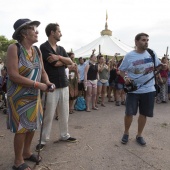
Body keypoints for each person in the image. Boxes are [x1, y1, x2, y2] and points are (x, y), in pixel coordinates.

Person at [6, 18, 54, 170]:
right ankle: (18, 161)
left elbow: (42, 71)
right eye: (34, 29)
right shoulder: (14, 48)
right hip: (19, 97)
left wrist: (47, 82)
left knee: (32, 125)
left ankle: (26, 152)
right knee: (22, 128)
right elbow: (13, 75)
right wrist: (38, 84)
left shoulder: (37, 50)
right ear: (24, 33)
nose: (37, 31)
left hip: (35, 95)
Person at [36, 23, 77, 151]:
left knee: (64, 113)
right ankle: (43, 140)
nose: (61, 33)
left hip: (64, 84)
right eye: (59, 31)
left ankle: (64, 135)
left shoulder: (61, 49)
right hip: (51, 85)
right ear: (52, 32)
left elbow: (70, 62)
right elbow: (53, 63)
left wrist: (60, 58)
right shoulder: (43, 47)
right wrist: (64, 62)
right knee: (48, 114)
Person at [119, 33, 161, 146]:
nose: (146, 42)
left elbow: (158, 65)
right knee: (129, 113)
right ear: (136, 42)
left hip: (149, 89)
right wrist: (126, 77)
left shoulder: (152, 53)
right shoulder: (129, 56)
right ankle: (126, 133)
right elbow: (121, 70)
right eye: (143, 40)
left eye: (147, 40)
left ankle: (139, 135)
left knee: (144, 113)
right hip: (133, 90)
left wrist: (163, 66)